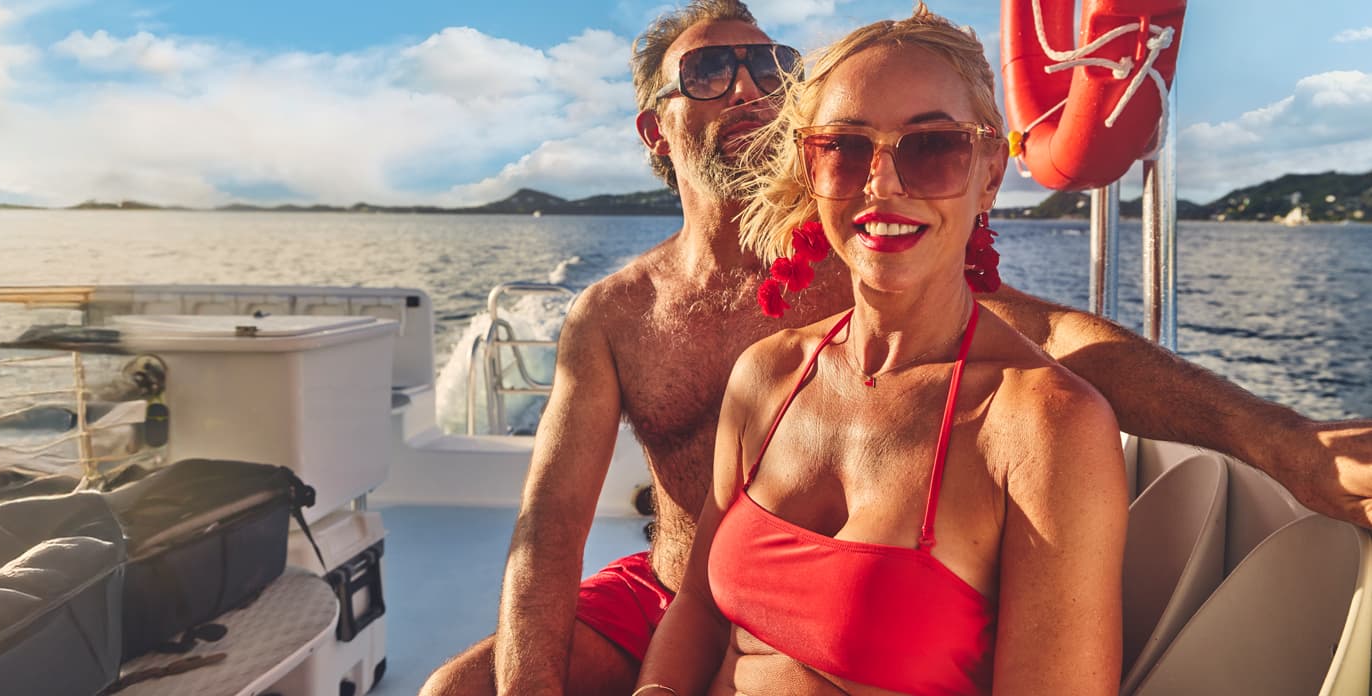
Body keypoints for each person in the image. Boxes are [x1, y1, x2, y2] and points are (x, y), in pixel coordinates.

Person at [419, 1, 1372, 693]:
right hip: (675, 589)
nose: (746, 85)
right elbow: (549, 529)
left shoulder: (866, 255)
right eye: (709, 71)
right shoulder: (619, 315)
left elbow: (1055, 340)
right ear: (655, 130)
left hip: (842, 619)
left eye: (767, 63)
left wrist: (1275, 438)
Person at [636, 9, 1123, 693]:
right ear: (809, 167)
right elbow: (698, 611)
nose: (883, 184)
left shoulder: (1042, 425)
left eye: (931, 146)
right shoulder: (767, 374)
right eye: (844, 146)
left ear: (990, 173)